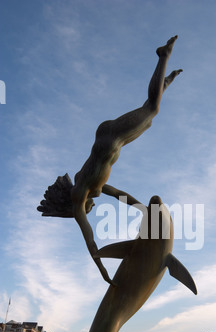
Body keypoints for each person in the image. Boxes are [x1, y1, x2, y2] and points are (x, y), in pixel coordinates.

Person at [38, 36, 182, 285]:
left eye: (82, 213)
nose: (88, 213)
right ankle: (165, 82)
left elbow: (89, 237)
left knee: (151, 109)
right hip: (114, 141)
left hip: (110, 140)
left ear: (74, 210)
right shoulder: (91, 188)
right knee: (148, 116)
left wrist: (101, 268)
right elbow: (117, 193)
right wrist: (143, 209)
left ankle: (163, 56)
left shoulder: (79, 195)